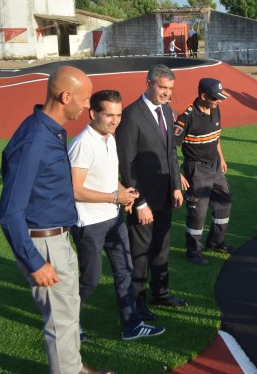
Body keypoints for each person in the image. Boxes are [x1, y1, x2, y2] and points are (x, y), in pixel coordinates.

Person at [0, 66, 111, 373]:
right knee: (60, 323)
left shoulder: (49, 130)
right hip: (43, 244)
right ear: (66, 96)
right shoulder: (35, 140)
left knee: (68, 311)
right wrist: (34, 261)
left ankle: (76, 368)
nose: (88, 106)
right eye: (85, 99)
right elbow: (10, 212)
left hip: (57, 238)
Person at [69, 90, 165, 341]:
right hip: (89, 223)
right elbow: (75, 190)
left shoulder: (109, 138)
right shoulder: (82, 144)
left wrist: (126, 194)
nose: (115, 121)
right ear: (92, 114)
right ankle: (68, 324)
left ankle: (131, 325)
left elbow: (110, 181)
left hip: (113, 219)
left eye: (119, 115)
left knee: (125, 271)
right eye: (109, 115)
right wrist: (115, 198)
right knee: (89, 280)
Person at [116, 64, 186, 320]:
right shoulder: (131, 116)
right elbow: (126, 164)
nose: (167, 93)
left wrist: (176, 185)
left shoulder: (166, 111)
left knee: (161, 247)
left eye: (170, 89)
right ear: (148, 84)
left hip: (165, 195)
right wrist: (139, 202)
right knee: (140, 253)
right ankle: (137, 302)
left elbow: (170, 153)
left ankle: (161, 293)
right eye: (163, 88)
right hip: (143, 200)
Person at [174, 78, 233, 266]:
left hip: (215, 165)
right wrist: (177, 173)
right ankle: (193, 251)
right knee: (198, 212)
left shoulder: (215, 109)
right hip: (196, 169)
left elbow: (216, 137)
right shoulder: (186, 117)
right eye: (216, 98)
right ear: (203, 96)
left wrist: (221, 158)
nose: (219, 101)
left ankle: (216, 243)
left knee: (224, 204)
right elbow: (169, 148)